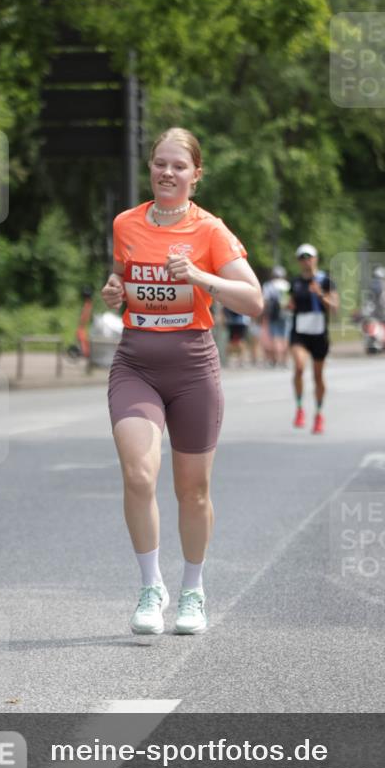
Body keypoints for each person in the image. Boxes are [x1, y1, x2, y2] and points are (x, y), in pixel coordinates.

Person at [101, 128, 263, 636]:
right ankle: (151, 587)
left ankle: (193, 591)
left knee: (192, 491)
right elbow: (122, 276)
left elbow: (254, 299)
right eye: (160, 163)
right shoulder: (126, 223)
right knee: (138, 474)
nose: (167, 173)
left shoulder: (210, 231)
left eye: (178, 166)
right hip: (136, 365)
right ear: (150, 167)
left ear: (196, 175)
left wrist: (198, 276)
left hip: (193, 369)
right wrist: (115, 290)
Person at [288, 243, 339, 433]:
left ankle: (318, 414)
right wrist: (288, 306)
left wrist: (320, 295)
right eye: (302, 258)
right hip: (299, 332)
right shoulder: (295, 282)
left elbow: (334, 307)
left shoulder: (325, 280)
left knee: (318, 376)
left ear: (315, 259)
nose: (306, 261)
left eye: (309, 257)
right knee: (299, 367)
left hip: (319, 333)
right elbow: (291, 302)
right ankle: (300, 408)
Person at [262, 265, 290, 366]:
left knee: (275, 336)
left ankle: (276, 360)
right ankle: (284, 360)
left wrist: (263, 314)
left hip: (273, 314)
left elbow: (265, 301)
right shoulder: (287, 285)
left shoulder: (269, 285)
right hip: (286, 314)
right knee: (285, 336)